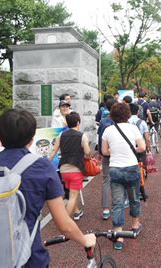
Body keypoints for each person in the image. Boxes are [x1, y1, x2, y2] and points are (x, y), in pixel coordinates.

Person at [0, 109, 95, 267]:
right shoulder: (41, 168)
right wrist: (84, 239)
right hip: (27, 257)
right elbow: (64, 225)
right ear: (31, 139)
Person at [101, 102, 146, 250]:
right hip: (131, 169)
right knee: (134, 199)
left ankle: (119, 236)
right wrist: (130, 149)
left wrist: (115, 150)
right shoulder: (133, 128)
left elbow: (104, 152)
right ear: (127, 114)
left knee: (117, 203)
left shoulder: (108, 130)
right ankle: (134, 225)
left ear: (112, 115)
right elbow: (142, 147)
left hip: (115, 169)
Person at [49, 112, 91, 220]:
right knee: (72, 196)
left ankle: (76, 212)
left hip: (63, 169)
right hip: (76, 169)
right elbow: (87, 152)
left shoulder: (61, 135)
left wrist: (47, 163)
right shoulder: (82, 136)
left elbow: (54, 150)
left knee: (73, 192)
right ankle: (65, 221)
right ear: (78, 122)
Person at [97, 98, 117, 220]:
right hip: (118, 154)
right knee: (119, 180)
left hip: (106, 154)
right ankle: (117, 205)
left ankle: (105, 209)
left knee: (106, 181)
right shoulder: (121, 121)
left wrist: (100, 152)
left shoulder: (104, 121)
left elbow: (100, 138)